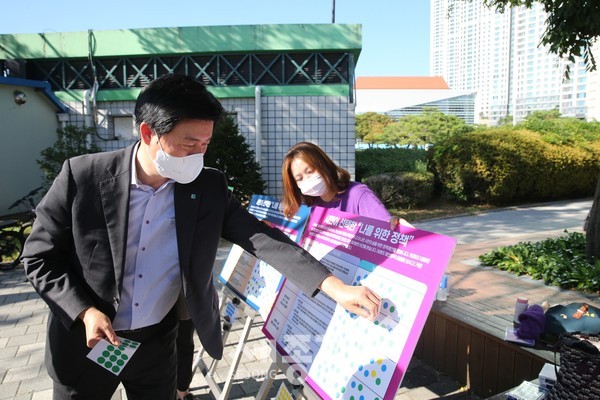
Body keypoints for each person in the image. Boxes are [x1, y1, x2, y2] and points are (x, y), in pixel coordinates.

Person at [21, 74, 381, 400]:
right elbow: (38, 257)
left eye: (205, 143)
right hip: (88, 343)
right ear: (148, 134)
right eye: (188, 143)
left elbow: (262, 237)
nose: (198, 154)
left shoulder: (206, 186)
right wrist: (83, 311)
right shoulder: (83, 176)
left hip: (155, 346)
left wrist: (334, 286)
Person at [281, 141, 411, 228]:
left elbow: (387, 225)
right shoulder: (312, 207)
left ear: (324, 165)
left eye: (309, 171)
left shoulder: (358, 195)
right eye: (299, 178)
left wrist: (396, 223)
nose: (307, 179)